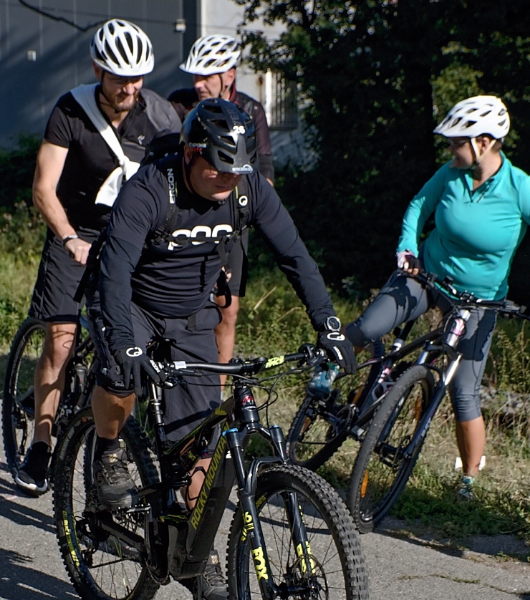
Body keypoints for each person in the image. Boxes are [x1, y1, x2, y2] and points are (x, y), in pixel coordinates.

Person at [88, 98, 355, 600]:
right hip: (134, 306)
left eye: (237, 170)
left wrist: (330, 325)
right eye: (217, 168)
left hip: (192, 316)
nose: (227, 179)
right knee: (121, 378)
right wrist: (124, 342)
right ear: (190, 154)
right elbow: (115, 273)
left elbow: (294, 254)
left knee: (201, 443)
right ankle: (107, 449)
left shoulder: (247, 190)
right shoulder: (150, 190)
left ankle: (197, 556)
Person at [12, 18, 181, 495]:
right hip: (77, 231)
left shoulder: (162, 117)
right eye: (117, 77)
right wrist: (68, 238)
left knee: (144, 336)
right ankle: (41, 446)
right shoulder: (72, 110)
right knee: (61, 340)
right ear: (97, 70)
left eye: (137, 77)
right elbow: (44, 188)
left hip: (132, 238)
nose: (128, 87)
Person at [344, 95, 530, 502]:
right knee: (369, 326)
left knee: (464, 390)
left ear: (483, 142)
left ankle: (468, 482)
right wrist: (407, 249)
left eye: (456, 141)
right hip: (427, 276)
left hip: (479, 301)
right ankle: (324, 376)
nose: (449, 149)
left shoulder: (520, 189)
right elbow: (418, 206)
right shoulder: (450, 174)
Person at [169, 34, 275, 371]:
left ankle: (216, 395)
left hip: (232, 216)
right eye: (195, 76)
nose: (198, 84)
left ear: (228, 74)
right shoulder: (179, 104)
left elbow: (265, 176)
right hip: (183, 213)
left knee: (226, 309)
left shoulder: (250, 110)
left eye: (206, 76)